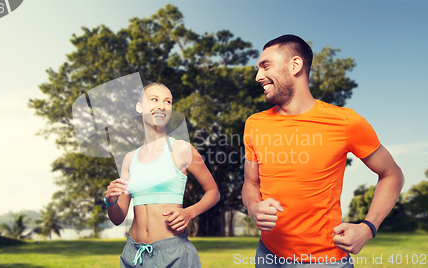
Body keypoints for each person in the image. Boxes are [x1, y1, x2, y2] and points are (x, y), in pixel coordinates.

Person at [242, 34, 405, 267]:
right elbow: (250, 183)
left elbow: (393, 175)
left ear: (295, 65)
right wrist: (253, 207)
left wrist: (368, 227)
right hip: (268, 256)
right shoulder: (254, 124)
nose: (258, 76)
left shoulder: (346, 122)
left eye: (265, 66)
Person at [105, 82, 220, 267]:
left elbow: (213, 192)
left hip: (173, 254)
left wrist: (189, 213)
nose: (161, 106)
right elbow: (118, 218)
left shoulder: (182, 149)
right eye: (154, 100)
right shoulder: (129, 159)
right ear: (139, 107)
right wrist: (110, 201)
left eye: (167, 101)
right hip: (133, 255)